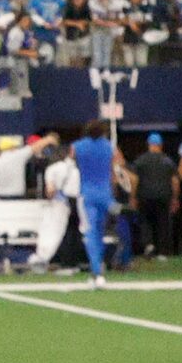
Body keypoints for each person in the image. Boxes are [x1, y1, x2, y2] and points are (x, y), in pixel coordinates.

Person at [72, 118, 123, 288]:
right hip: (105, 194)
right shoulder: (109, 146)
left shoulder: (78, 146)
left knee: (91, 233)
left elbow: (73, 163)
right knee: (100, 232)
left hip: (87, 194)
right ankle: (99, 267)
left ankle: (97, 270)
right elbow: (115, 170)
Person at [135, 131, 179, 260]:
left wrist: (134, 195)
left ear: (149, 144)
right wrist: (175, 198)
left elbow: (134, 179)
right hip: (164, 196)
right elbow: (175, 181)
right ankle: (162, 252)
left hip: (145, 196)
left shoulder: (141, 160)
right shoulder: (168, 161)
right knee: (163, 223)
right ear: (161, 145)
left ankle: (148, 244)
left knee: (145, 222)